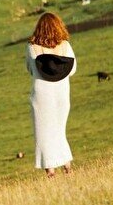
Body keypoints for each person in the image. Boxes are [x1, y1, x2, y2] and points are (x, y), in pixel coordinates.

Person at [25, 12, 76, 177]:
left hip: (41, 94)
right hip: (62, 93)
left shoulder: (32, 47)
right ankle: (67, 166)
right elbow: (72, 70)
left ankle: (51, 172)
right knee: (59, 130)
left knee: (43, 133)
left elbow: (30, 69)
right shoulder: (65, 46)